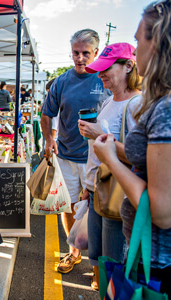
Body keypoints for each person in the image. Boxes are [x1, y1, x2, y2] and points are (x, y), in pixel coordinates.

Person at [93, 1, 171, 298]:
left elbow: (164, 211)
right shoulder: (168, 101)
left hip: (163, 267)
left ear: (157, 41)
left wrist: (111, 159)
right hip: (156, 259)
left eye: (138, 39)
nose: (136, 49)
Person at [40, 28, 111, 274]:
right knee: (70, 206)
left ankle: (98, 266)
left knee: (99, 210)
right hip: (67, 156)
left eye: (85, 53)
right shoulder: (61, 81)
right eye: (75, 53)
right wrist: (49, 139)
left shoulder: (105, 79)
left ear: (96, 53)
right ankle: (74, 252)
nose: (79, 58)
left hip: (98, 158)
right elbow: (46, 113)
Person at [78, 42, 142, 290]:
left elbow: (141, 158)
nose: (100, 74)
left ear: (128, 66)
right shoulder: (108, 102)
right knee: (101, 260)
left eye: (106, 68)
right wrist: (88, 186)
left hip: (119, 196)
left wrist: (98, 136)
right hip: (99, 191)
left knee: (116, 266)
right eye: (99, 69)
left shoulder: (136, 105)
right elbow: (97, 155)